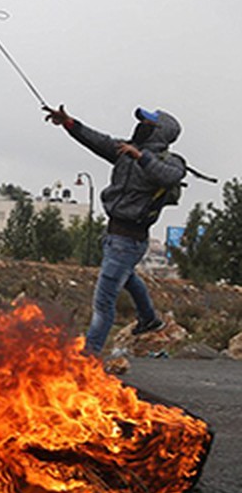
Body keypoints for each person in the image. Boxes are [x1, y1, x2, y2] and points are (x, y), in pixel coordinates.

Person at [43, 104, 185, 356]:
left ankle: (89, 357)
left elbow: (171, 176)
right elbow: (98, 140)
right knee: (127, 276)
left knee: (103, 303)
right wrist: (69, 123)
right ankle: (149, 319)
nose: (141, 126)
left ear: (160, 134)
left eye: (148, 124)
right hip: (114, 236)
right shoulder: (124, 151)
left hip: (129, 240)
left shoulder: (168, 161)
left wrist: (140, 157)